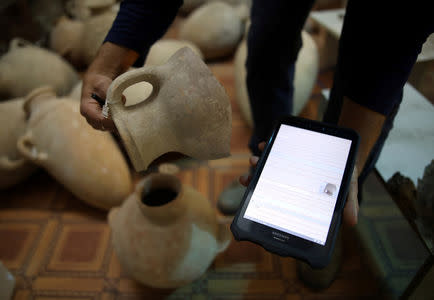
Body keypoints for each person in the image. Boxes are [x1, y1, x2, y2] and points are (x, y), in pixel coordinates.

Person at [81, 0, 433, 289]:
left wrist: (353, 167)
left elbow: (396, 36)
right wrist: (108, 64)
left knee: (365, 72)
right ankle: (264, 167)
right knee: (266, 44)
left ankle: (331, 215)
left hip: (394, 13)